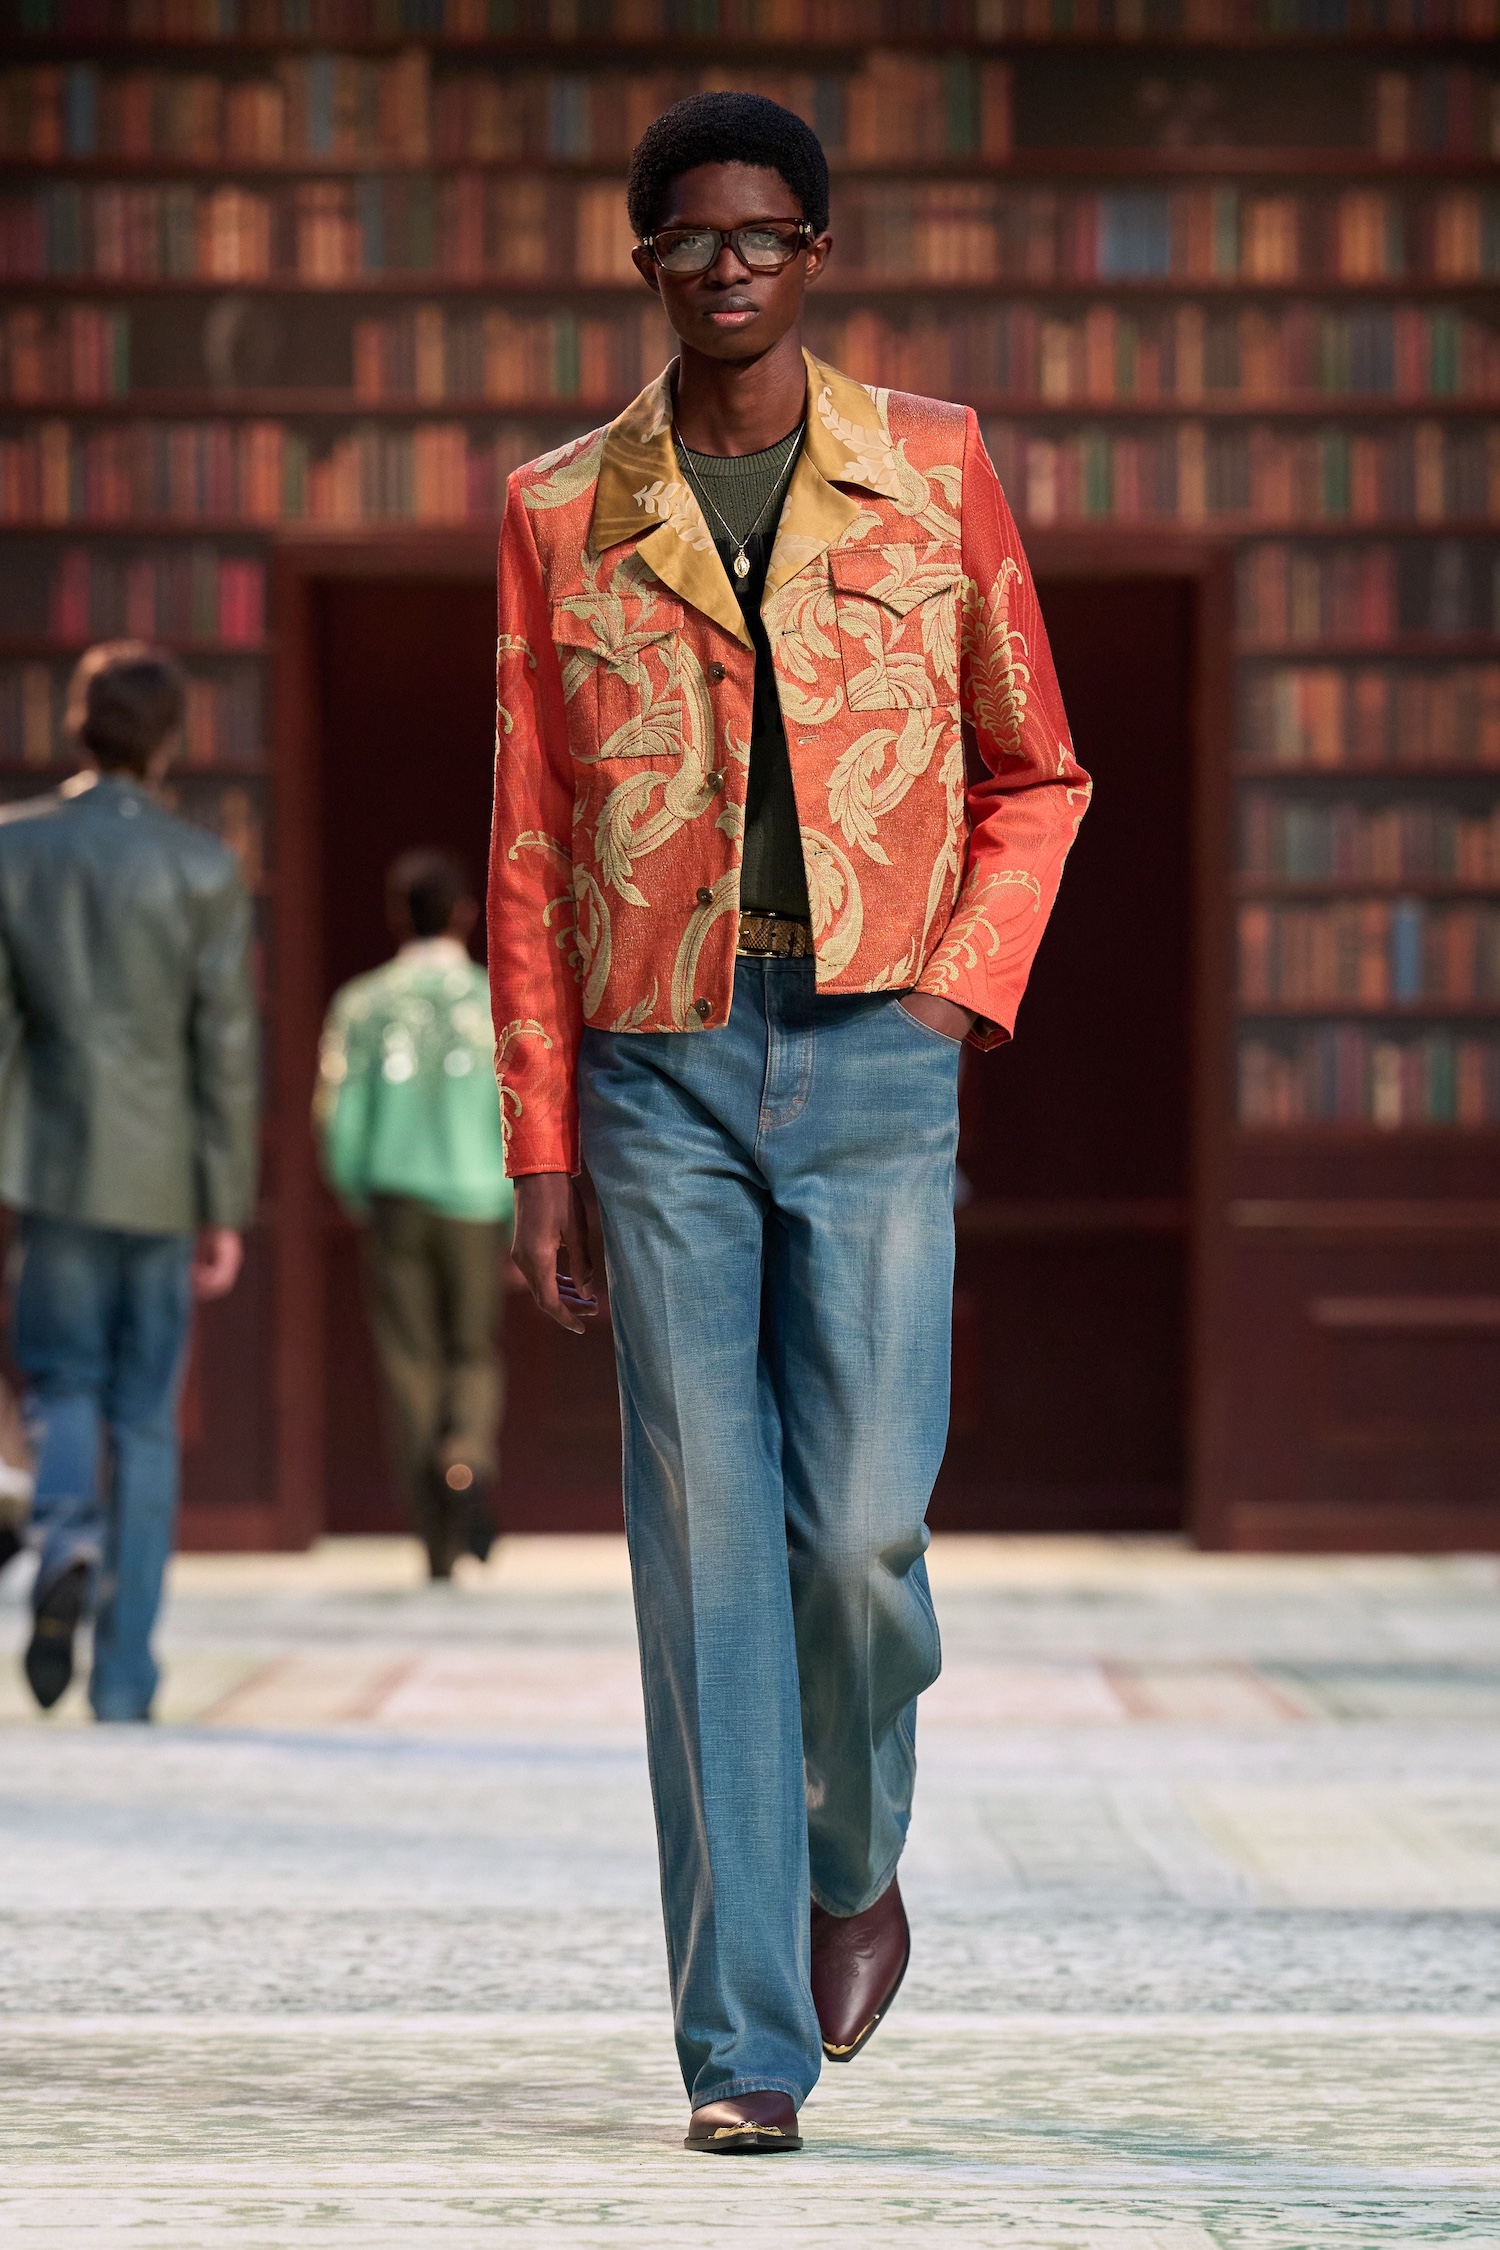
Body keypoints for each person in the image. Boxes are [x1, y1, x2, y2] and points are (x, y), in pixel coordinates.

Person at [490, 92, 1090, 2152]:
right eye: (692, 238)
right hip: (656, 1064)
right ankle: (742, 2046)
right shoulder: (562, 510)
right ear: (645, 261)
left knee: (854, 1535)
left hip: (874, 1052)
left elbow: (1038, 770)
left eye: (763, 234)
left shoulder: (930, 466)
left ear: (815, 253)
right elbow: (527, 841)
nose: (728, 266)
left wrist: (948, 993)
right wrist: (540, 1144)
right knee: (709, 1563)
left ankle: (853, 1856)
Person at [0, 641, 258, 1721]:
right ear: (171, 742)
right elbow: (225, 1047)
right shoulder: (202, 866)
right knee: (146, 1417)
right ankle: (124, 1679)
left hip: (52, 1167)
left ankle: (65, 1536)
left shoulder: (14, 848)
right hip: (164, 1180)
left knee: (62, 1383)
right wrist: (225, 1202)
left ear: (77, 727)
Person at [316, 850, 512, 1580]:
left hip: (397, 1195)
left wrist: (354, 1187)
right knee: (473, 1349)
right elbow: (518, 1108)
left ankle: (436, 1543)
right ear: (464, 913)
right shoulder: (494, 1000)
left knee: (409, 1360)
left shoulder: (364, 1003)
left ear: (398, 914)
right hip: (478, 1198)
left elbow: (338, 1113)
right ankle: (467, 1453)